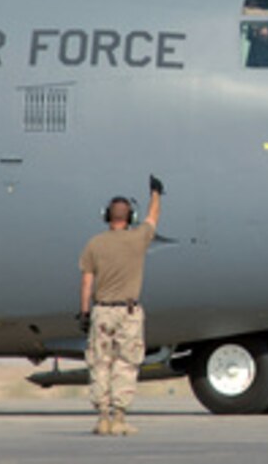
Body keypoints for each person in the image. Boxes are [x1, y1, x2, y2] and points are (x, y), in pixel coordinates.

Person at [77, 174, 163, 436]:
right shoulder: (138, 239)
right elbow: (153, 219)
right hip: (128, 312)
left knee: (100, 363)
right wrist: (156, 194)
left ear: (107, 216)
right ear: (130, 217)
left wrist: (84, 313)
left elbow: (86, 283)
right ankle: (120, 417)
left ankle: (102, 417)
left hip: (101, 311)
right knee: (125, 363)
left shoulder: (94, 244)